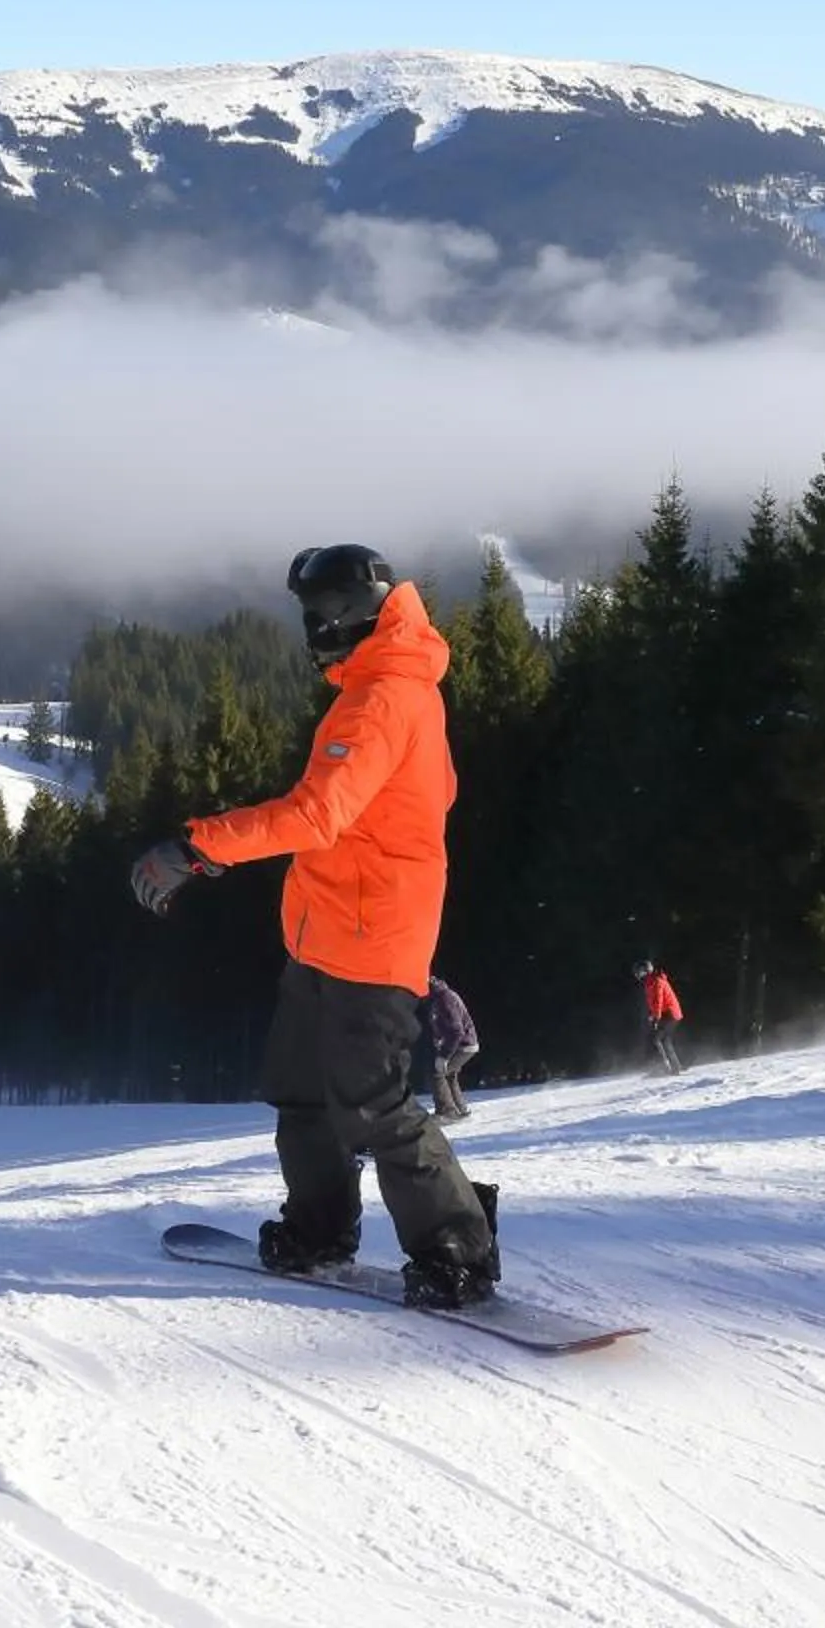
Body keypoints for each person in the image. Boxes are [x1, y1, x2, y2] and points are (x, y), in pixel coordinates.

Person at [130, 544, 501, 1309]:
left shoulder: (382, 699)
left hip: (372, 939)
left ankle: (458, 1252)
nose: (312, 628)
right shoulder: (378, 685)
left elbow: (316, 814)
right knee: (302, 1097)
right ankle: (318, 1230)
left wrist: (197, 847)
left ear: (356, 613)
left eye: (320, 612)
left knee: (376, 1108)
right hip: (324, 935)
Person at [423, 975, 480, 1119]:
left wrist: (444, 1056)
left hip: (463, 1044)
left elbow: (456, 1031)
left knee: (437, 1072)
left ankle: (447, 1112)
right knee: (449, 1074)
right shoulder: (438, 998)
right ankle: (461, 1109)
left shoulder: (445, 998)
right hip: (464, 1043)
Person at [635, 960, 684, 1072]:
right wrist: (653, 1015)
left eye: (640, 971)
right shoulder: (650, 982)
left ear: (646, 971)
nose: (637, 974)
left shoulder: (656, 981)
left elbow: (658, 1000)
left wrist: (656, 1017)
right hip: (667, 1013)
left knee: (658, 1039)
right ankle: (675, 1067)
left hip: (671, 1013)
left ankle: (668, 1067)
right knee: (663, 1040)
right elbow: (653, 1002)